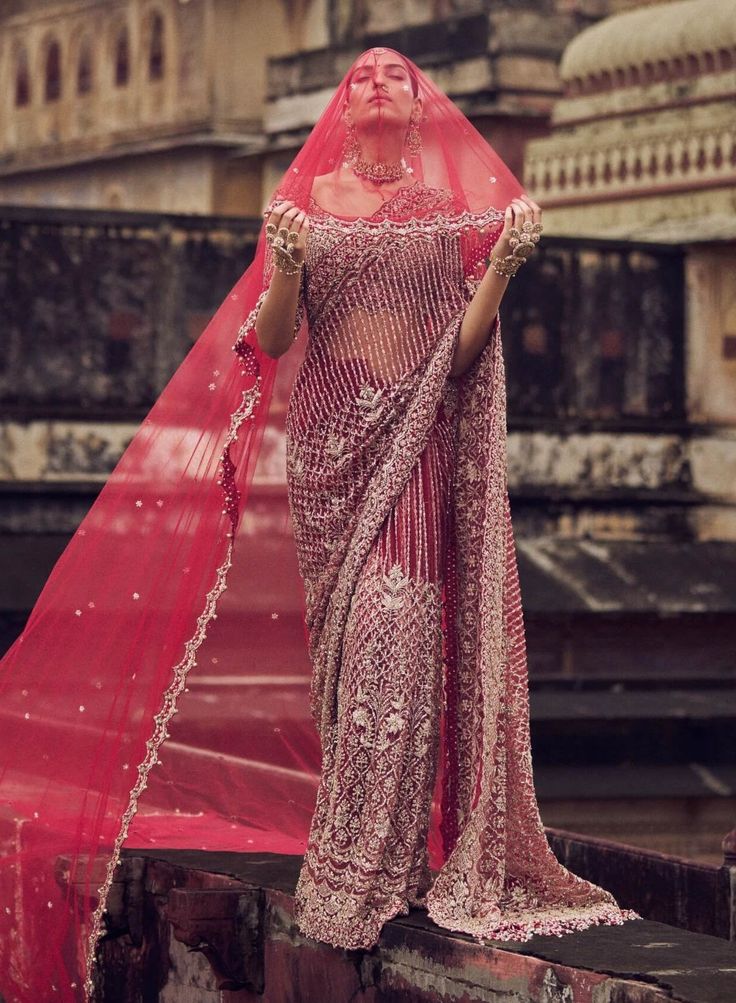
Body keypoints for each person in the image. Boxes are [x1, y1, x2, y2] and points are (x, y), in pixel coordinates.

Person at [0, 46, 641, 1003]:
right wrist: (290, 266)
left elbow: (461, 360)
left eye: (398, 74)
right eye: (365, 74)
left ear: (421, 105)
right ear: (344, 106)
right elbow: (271, 338)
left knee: (399, 627)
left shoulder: (441, 212)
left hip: (417, 440)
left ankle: (369, 872)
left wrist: (501, 268)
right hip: (331, 456)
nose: (380, 82)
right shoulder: (305, 207)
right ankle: (367, 859)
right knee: (347, 653)